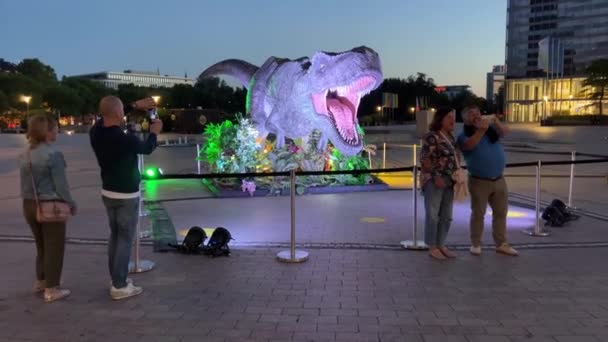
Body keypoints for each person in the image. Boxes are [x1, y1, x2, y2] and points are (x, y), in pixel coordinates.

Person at [90, 96, 163, 300]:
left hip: (108, 192)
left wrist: (133, 106)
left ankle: (116, 279)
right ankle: (120, 286)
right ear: (117, 113)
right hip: (126, 194)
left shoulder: (96, 132)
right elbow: (147, 148)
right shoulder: (124, 138)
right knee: (125, 239)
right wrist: (154, 132)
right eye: (122, 110)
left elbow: (103, 117)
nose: (124, 113)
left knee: (115, 236)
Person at [19, 114, 76, 303]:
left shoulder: (24, 154)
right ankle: (52, 289)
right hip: (50, 205)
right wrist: (71, 203)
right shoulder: (53, 155)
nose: (57, 131)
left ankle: (41, 280)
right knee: (54, 247)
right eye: (55, 128)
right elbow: (62, 186)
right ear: (48, 132)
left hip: (29, 204)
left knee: (41, 245)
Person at [457, 106, 518, 256]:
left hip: (499, 179)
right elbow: (469, 145)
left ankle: (501, 243)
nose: (476, 116)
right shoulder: (464, 135)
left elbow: (505, 132)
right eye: (471, 114)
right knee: (478, 213)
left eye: (478, 113)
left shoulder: (490, 129)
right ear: (465, 120)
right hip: (479, 181)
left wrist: (496, 121)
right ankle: (476, 244)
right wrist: (481, 130)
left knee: (501, 213)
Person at [420, 107, 461, 260]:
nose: (452, 120)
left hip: (450, 181)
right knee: (433, 214)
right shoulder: (432, 137)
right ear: (440, 119)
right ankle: (432, 246)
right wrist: (436, 176)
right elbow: (425, 159)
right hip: (434, 181)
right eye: (449, 117)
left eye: (453, 117)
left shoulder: (450, 137)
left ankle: (441, 244)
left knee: (446, 216)